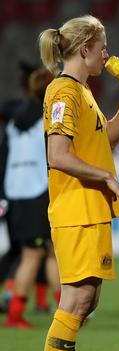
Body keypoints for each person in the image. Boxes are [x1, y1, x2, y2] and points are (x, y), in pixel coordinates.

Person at [39, 14, 119, 351]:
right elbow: (58, 156)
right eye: (102, 47)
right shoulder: (63, 91)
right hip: (74, 207)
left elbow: (105, 139)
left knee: (88, 299)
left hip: (89, 208)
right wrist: (108, 178)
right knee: (77, 300)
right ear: (85, 49)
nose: (107, 55)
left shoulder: (81, 92)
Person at [2, 67, 60, 329]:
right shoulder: (48, 119)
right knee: (35, 255)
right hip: (37, 193)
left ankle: (64, 310)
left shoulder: (14, 121)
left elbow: (3, 157)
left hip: (14, 194)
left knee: (43, 252)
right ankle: (15, 315)